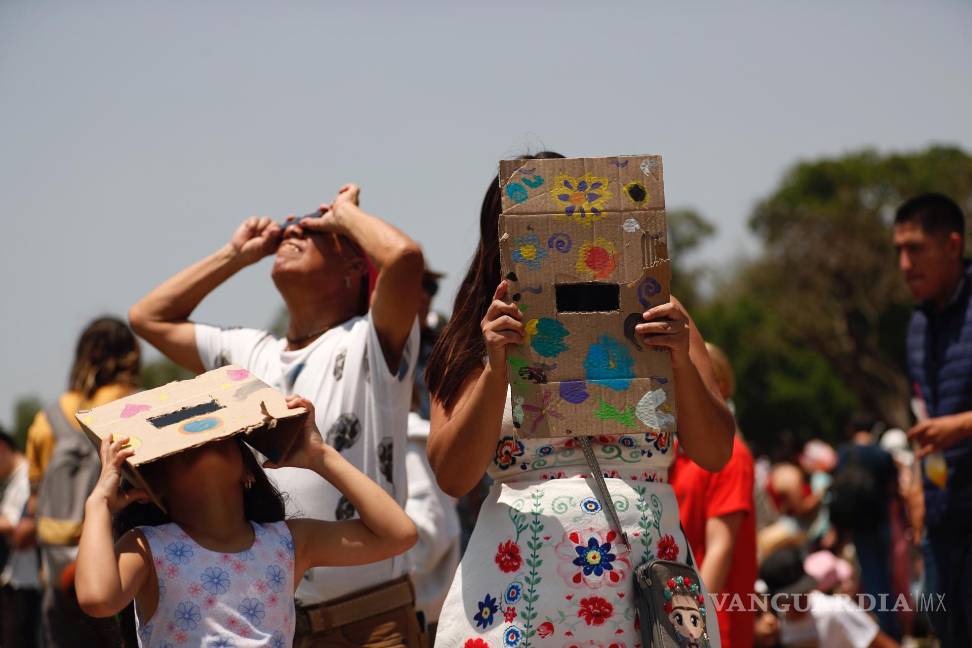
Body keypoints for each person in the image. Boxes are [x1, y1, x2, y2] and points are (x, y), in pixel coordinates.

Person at [424, 152, 736, 646]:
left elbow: (716, 452)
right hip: (515, 602)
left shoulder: (661, 316)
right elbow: (452, 476)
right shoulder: (470, 341)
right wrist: (496, 368)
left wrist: (680, 361)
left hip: (643, 592)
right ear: (501, 236)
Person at [129, 183, 425, 647]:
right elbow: (148, 318)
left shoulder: (370, 340)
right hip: (270, 621)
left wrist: (345, 214)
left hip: (372, 621)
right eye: (292, 227)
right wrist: (234, 256)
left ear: (354, 267)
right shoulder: (248, 353)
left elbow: (404, 258)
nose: (294, 229)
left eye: (313, 229)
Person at [75, 396, 417, 648]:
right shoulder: (147, 548)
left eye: (219, 436)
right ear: (153, 488)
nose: (199, 440)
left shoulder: (288, 541)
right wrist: (98, 503)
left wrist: (320, 456)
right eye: (179, 447)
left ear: (248, 470)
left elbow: (397, 535)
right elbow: (98, 598)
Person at [27, 316, 141, 647]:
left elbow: (35, 501)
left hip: (59, 572)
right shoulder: (135, 405)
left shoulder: (46, 420)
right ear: (130, 356)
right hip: (120, 565)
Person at [893, 192, 972, 646]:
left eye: (915, 249)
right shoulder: (918, 325)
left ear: (953, 245)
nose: (904, 264)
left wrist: (962, 427)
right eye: (899, 251)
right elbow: (923, 416)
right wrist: (919, 485)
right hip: (941, 522)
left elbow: (947, 427)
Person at [670, 342, 757, 648]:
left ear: (720, 386)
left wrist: (689, 622)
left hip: (712, 622)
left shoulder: (732, 456)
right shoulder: (673, 455)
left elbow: (720, 547)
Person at [403, 266, 461, 644]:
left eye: (429, 287)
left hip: (458, 486)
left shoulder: (448, 343)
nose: (422, 295)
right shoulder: (374, 348)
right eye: (412, 285)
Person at [759, 547, 900, 648]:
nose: (800, 600)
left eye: (803, 593)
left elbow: (884, 644)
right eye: (791, 598)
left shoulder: (836, 609)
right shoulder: (777, 627)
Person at [0, 427, 41, 648]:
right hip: (15, 578)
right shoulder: (14, 479)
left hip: (26, 581)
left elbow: (21, 533)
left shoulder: (26, 478)